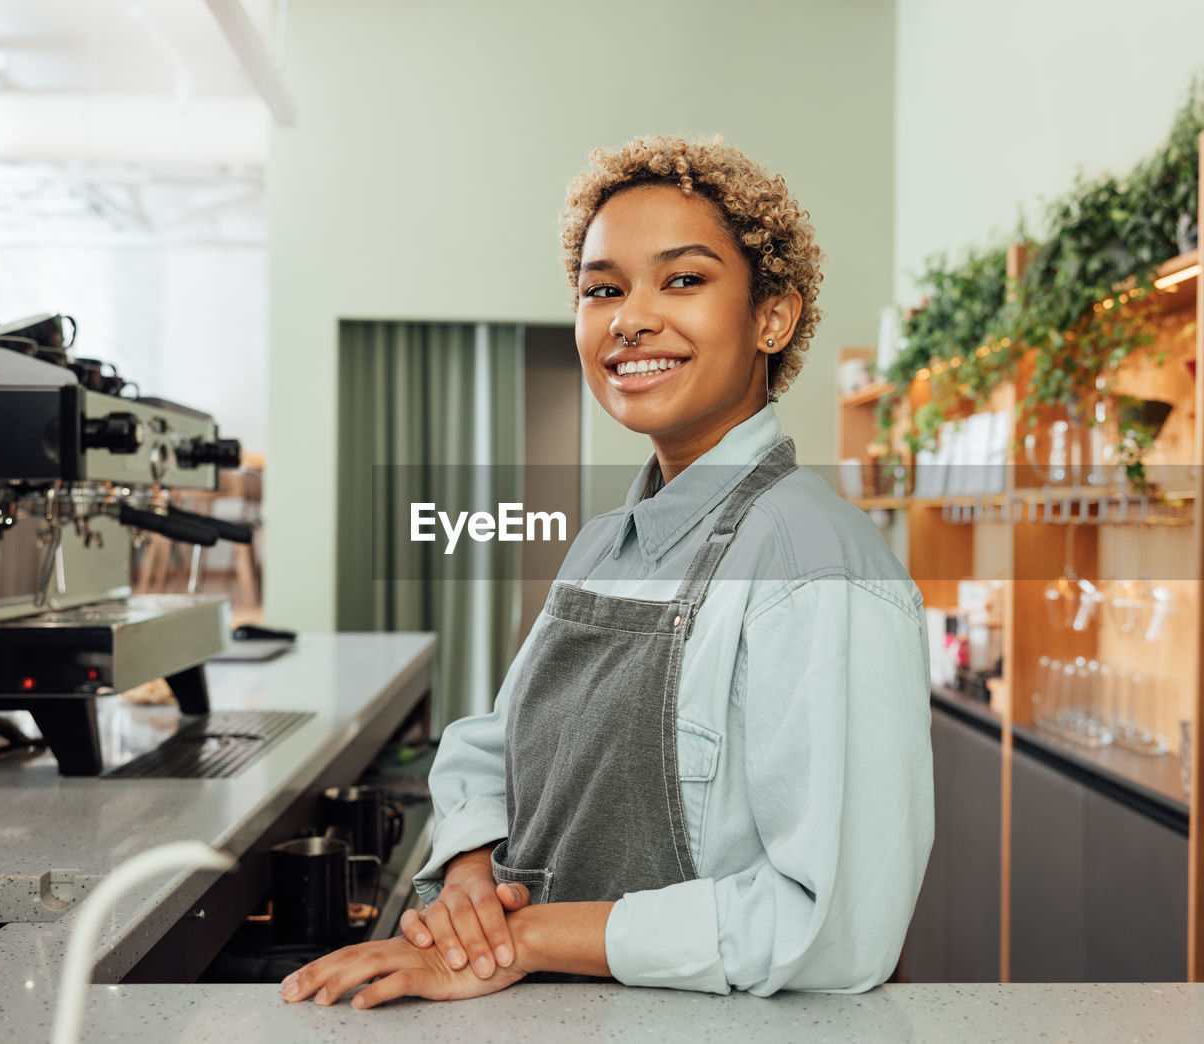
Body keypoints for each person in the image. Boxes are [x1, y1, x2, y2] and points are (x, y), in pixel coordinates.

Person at [281, 135, 933, 1010]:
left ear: (772, 318)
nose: (630, 318)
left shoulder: (816, 564)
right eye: (603, 289)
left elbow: (837, 927)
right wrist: (472, 876)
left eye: (684, 279)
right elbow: (492, 744)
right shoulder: (604, 543)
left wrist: (525, 937)